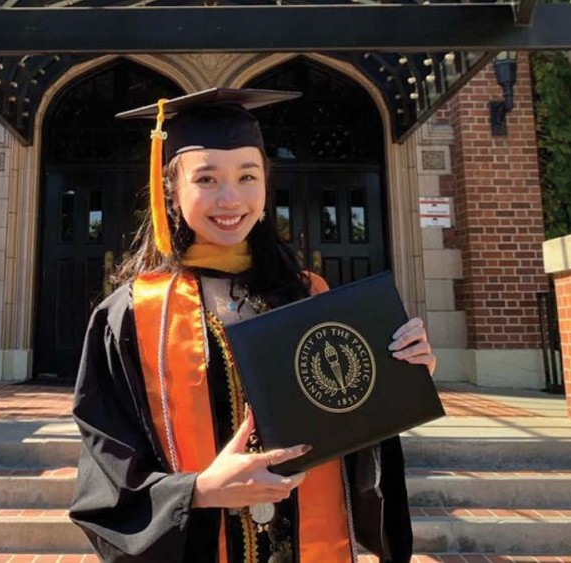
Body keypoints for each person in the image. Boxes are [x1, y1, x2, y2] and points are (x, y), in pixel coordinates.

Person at [69, 88, 436, 563]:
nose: (230, 198)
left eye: (248, 175)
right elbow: (108, 465)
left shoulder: (309, 294)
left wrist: (400, 376)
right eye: (206, 178)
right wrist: (197, 491)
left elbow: (355, 432)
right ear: (171, 191)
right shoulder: (131, 314)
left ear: (266, 184)